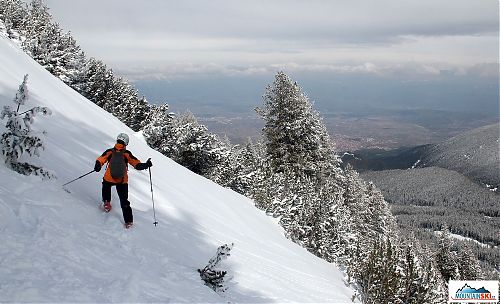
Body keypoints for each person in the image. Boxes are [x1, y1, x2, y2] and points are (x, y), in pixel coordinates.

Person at [94, 133, 152, 228]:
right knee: (124, 201)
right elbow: (137, 165)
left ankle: (106, 202)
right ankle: (128, 222)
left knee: (106, 186)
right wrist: (147, 164)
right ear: (126, 143)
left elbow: (101, 159)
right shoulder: (126, 154)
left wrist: (98, 165)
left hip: (109, 178)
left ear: (117, 141)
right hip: (122, 181)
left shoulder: (110, 151)